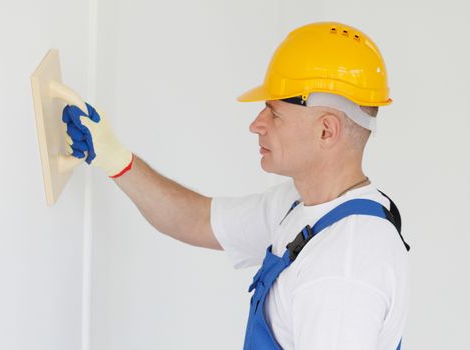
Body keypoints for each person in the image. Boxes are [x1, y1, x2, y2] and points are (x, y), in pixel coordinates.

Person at [63, 21, 410, 350]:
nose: (256, 125)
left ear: (326, 131)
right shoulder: (301, 205)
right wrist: (115, 158)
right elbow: (196, 220)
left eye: (274, 113)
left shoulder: (343, 270)